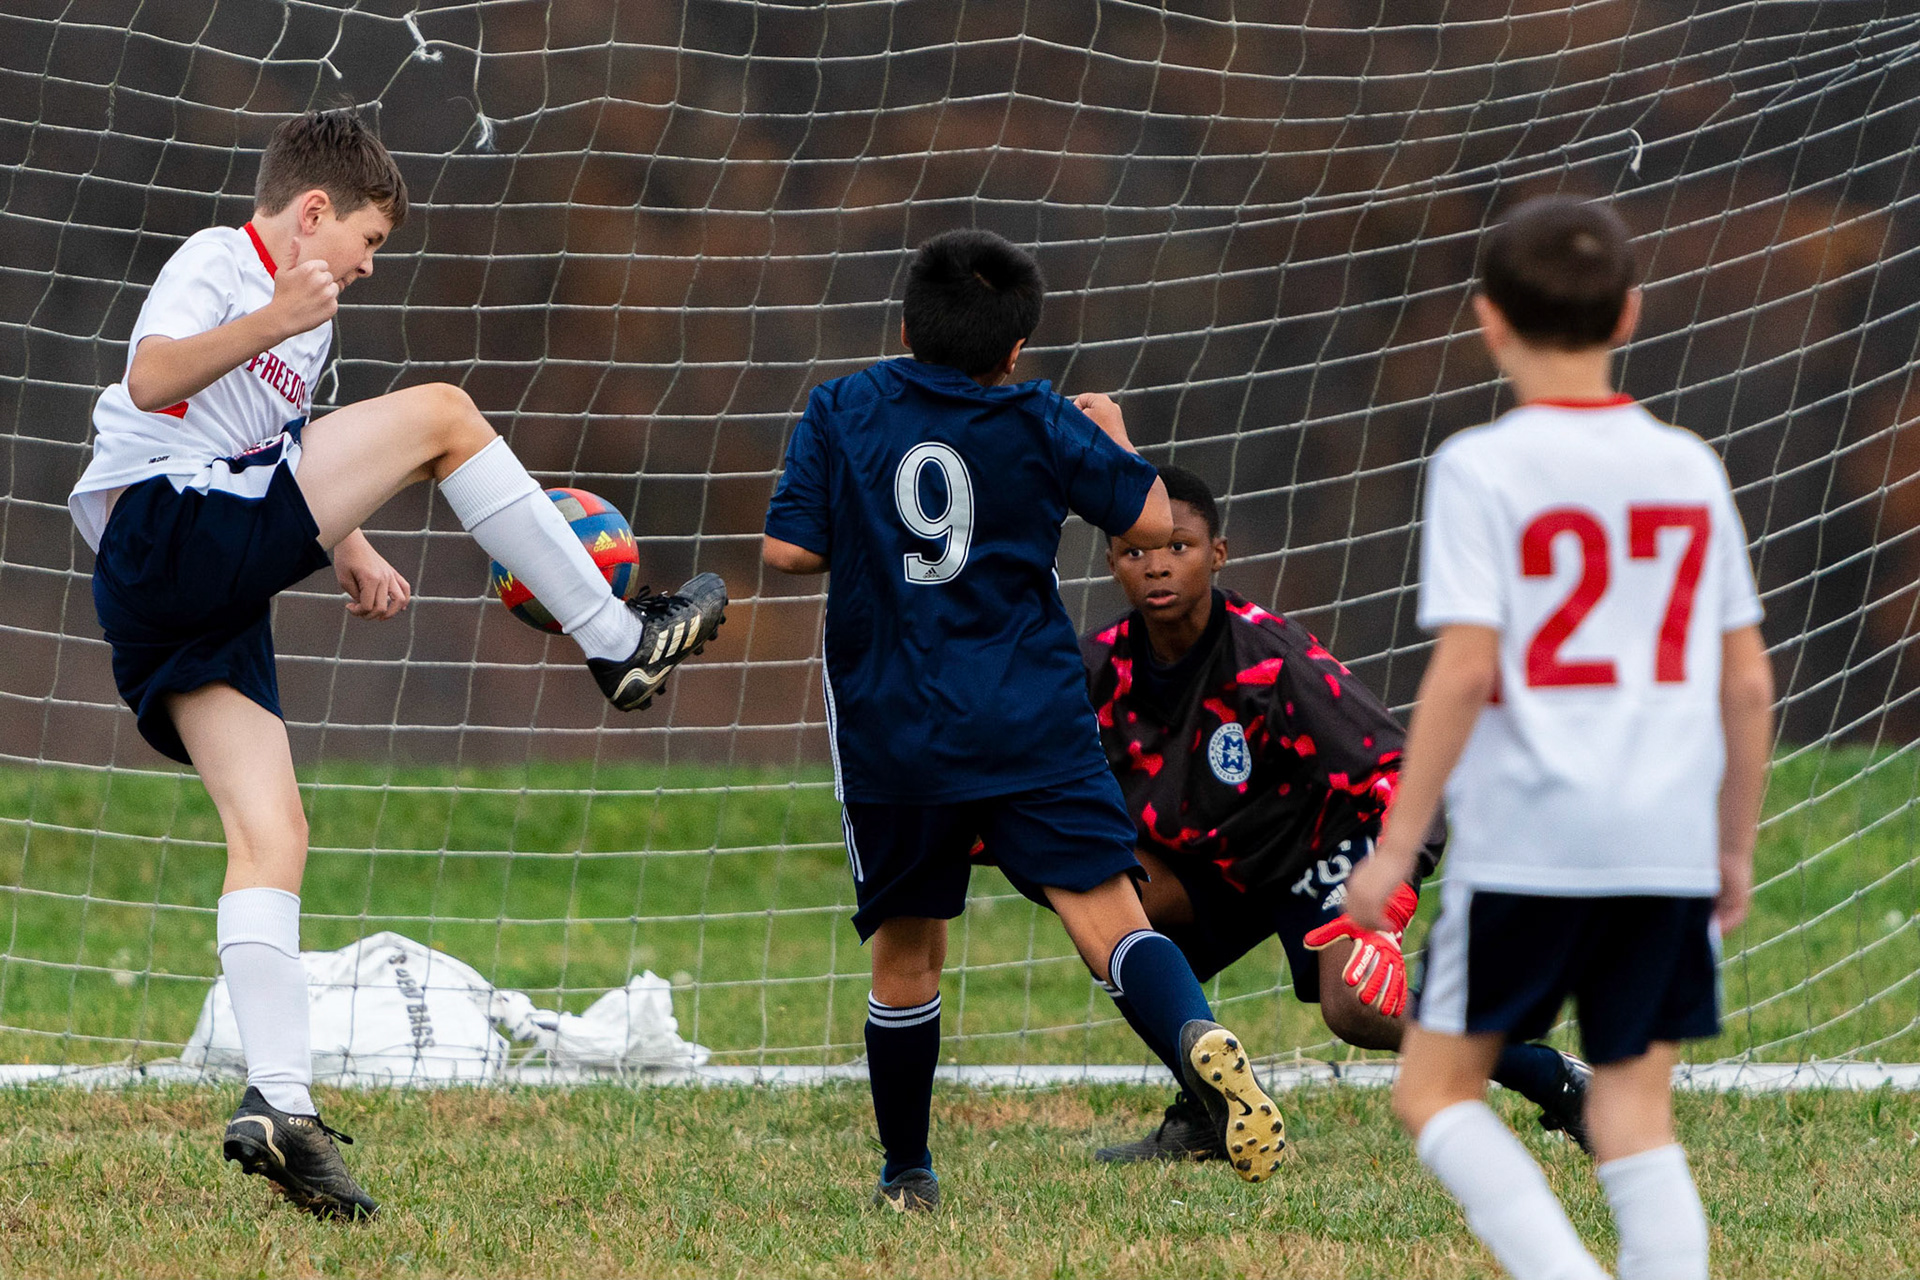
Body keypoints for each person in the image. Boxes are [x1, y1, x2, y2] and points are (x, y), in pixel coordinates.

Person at [70, 109, 726, 1219]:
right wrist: (273, 314)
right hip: (167, 529)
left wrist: (350, 543)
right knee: (444, 416)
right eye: (367, 240)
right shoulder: (226, 261)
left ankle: (279, 1106)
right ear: (311, 212)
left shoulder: (307, 322)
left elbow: (266, 447)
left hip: (176, 583)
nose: (371, 264)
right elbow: (151, 380)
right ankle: (618, 641)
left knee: (272, 833)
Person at [762, 229, 1285, 1212]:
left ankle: (908, 1173)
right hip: (1031, 717)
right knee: (1110, 917)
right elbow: (1148, 521)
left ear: (906, 328)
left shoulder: (843, 406)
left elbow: (787, 550)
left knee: (907, 954)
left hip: (896, 728)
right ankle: (1194, 1039)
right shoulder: (1040, 415)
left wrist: (870, 530)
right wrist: (1114, 434)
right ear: (1014, 349)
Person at [1345, 195, 1773, 1280]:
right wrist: (1731, 846)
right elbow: (1746, 682)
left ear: (1488, 319)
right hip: (1664, 841)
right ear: (1629, 313)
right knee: (1634, 1113)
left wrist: (1394, 849)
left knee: (1434, 1090)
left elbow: (1467, 669)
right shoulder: (1690, 465)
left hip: (1530, 842)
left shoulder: (1479, 465)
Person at [1075, 464, 1591, 1163]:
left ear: (1217, 554)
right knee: (1107, 913)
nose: (1157, 566)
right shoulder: (1096, 670)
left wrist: (1393, 888)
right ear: (1111, 563)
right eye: (1135, 552)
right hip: (1215, 867)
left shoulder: (1272, 659)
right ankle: (1207, 1111)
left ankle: (1555, 1079)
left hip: (1316, 847)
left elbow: (1400, 770)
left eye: (1179, 546)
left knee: (1358, 1008)